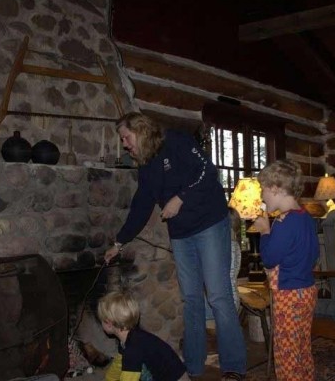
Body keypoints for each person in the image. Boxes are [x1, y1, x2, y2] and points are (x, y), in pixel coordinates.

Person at [104, 113, 246, 381]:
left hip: (210, 223)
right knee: (190, 299)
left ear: (140, 130)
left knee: (217, 295)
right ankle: (193, 366)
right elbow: (141, 205)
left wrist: (181, 197)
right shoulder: (146, 166)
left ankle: (234, 367)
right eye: (122, 139)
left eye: (125, 137)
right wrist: (119, 242)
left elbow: (207, 172)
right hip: (181, 234)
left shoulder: (176, 141)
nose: (124, 144)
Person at [252, 159, 320, 381]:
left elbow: (270, 259)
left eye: (263, 190)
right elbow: (313, 255)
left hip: (289, 296)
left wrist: (264, 231)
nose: (262, 196)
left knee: (286, 353)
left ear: (276, 188)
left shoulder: (283, 222)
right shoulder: (307, 218)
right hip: (307, 291)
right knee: (301, 346)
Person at [97, 291, 187, 381]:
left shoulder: (132, 350)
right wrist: (109, 379)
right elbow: (118, 364)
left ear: (109, 324)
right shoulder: (128, 339)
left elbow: (128, 378)